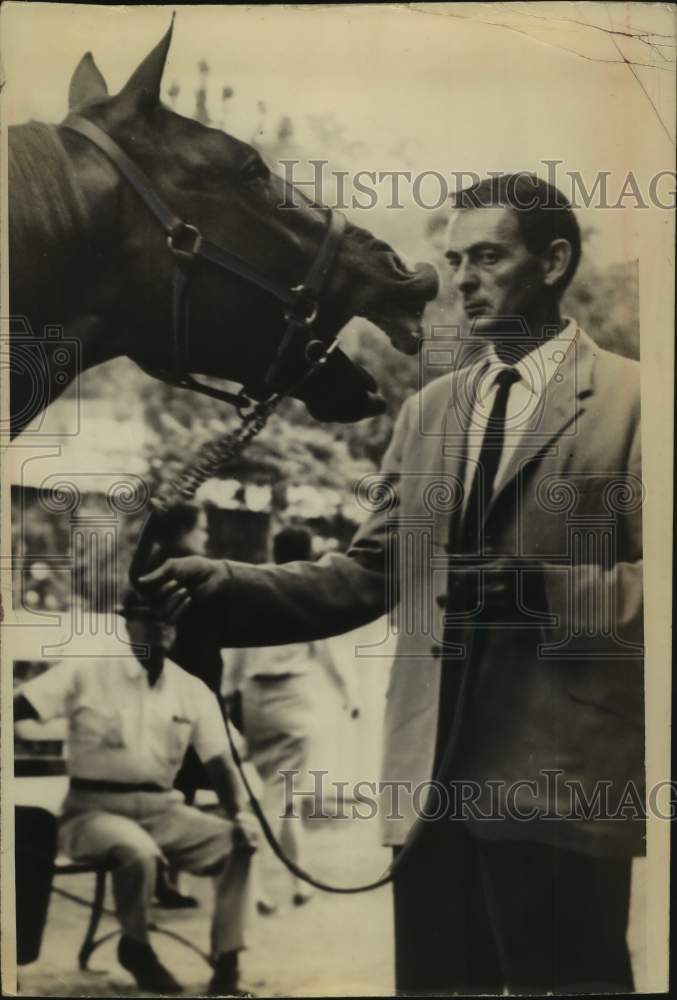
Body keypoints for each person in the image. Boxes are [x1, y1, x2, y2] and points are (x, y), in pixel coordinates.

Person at [140, 174, 644, 994]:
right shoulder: (428, 412)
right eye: (455, 259)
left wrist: (544, 595)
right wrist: (223, 586)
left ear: (553, 262)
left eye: (487, 257)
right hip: (426, 791)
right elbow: (367, 573)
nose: (462, 280)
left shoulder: (638, 401)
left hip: (562, 787)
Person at [13, 591, 258, 996]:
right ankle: (136, 947)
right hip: (92, 812)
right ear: (127, 623)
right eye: (149, 618)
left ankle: (228, 963)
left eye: (169, 620)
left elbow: (220, 763)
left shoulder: (190, 689)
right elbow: (18, 705)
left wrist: (241, 815)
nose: (161, 628)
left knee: (238, 844)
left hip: (163, 810)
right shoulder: (88, 671)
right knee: (138, 851)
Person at [224, 526, 359, 914]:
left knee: (285, 794)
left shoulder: (253, 592)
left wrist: (228, 695)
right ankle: (254, 886)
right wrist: (349, 696)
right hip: (291, 700)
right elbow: (328, 653)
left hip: (254, 700)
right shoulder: (307, 593)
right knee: (278, 796)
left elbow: (235, 656)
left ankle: (300, 881)